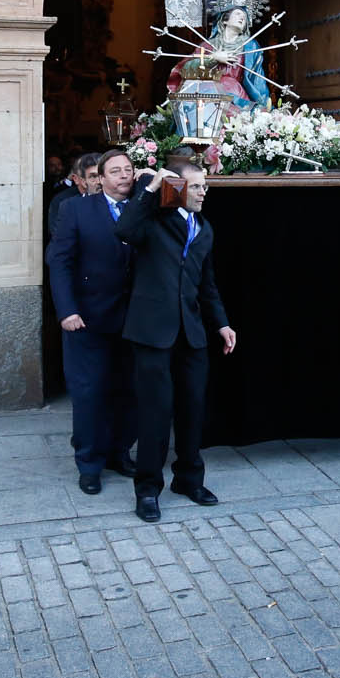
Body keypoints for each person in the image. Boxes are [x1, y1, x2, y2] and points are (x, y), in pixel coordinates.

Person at [116, 158, 238, 522]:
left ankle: (188, 479)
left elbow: (206, 283)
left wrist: (221, 324)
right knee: (155, 413)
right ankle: (147, 490)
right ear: (179, 188)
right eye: (197, 186)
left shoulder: (204, 228)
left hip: (192, 333)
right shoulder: (154, 220)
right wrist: (153, 187)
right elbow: (124, 229)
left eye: (205, 186)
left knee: (192, 409)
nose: (204, 192)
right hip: (152, 332)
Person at [46, 147, 139, 494]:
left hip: (133, 319)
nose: (124, 175)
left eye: (128, 169)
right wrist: (67, 310)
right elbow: (60, 261)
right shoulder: (76, 209)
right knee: (90, 394)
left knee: (128, 390)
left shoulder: (143, 208)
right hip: (87, 318)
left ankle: (120, 452)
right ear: (99, 179)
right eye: (115, 171)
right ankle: (89, 463)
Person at [164, 4, 269, 111]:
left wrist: (264, 106)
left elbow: (257, 79)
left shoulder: (250, 46)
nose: (242, 18)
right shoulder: (208, 46)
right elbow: (186, 70)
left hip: (236, 97)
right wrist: (213, 58)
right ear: (225, 20)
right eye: (238, 14)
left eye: (245, 18)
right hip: (209, 95)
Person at [47, 150, 100, 238]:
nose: (99, 181)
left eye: (101, 175)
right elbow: (59, 236)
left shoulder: (110, 197)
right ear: (76, 178)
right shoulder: (62, 201)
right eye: (93, 176)